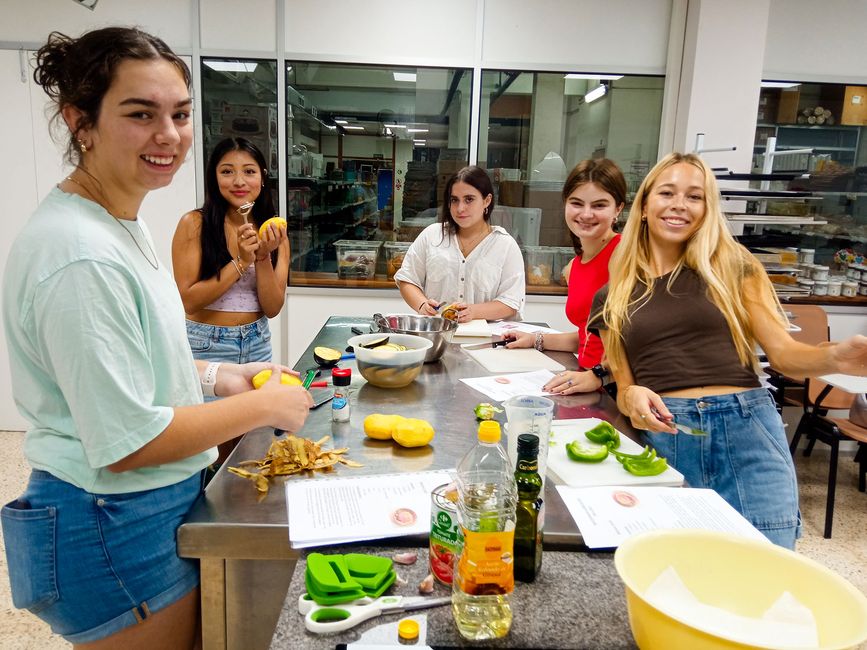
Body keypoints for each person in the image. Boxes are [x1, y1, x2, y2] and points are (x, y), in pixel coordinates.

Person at [1, 28, 312, 648]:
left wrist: (219, 377)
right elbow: (127, 440)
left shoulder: (119, 225)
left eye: (181, 114)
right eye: (141, 114)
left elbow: (139, 360)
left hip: (142, 504)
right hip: (111, 519)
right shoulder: (81, 254)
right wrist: (262, 405)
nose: (168, 134)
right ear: (81, 123)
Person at [589, 152, 867, 549]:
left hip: (747, 429)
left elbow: (785, 355)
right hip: (671, 435)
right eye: (667, 193)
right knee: (682, 568)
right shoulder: (612, 294)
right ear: (644, 206)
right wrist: (631, 395)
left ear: (707, 210)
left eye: (695, 196)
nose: (680, 204)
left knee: (768, 566)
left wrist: (833, 358)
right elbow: (625, 382)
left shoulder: (734, 267)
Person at [503, 159, 625, 394]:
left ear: (618, 209)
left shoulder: (623, 256)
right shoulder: (574, 267)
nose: (586, 214)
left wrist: (599, 375)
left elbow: (637, 343)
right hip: (590, 381)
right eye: (576, 203)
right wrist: (535, 339)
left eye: (599, 205)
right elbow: (589, 338)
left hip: (617, 388)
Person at [172, 136, 289, 367]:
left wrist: (262, 256)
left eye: (249, 171)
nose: (239, 181)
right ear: (214, 178)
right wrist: (241, 262)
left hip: (257, 344)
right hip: (204, 345)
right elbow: (189, 302)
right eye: (227, 172)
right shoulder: (195, 224)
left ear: (263, 177)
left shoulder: (274, 232)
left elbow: (272, 308)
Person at [394, 165, 525, 322]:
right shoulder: (432, 236)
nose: (460, 208)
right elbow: (407, 279)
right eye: (454, 200)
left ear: (487, 200)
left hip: (486, 335)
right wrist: (422, 304)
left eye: (469, 199)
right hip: (436, 332)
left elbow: (511, 302)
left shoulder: (505, 245)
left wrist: (474, 311)